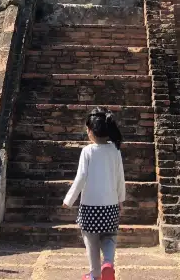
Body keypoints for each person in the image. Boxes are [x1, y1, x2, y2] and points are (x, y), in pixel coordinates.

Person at [63, 108, 126, 280]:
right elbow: (120, 178)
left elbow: (81, 177)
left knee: (91, 241)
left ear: (91, 131)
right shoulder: (115, 151)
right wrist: (121, 200)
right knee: (110, 237)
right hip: (111, 205)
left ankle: (95, 275)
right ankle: (108, 263)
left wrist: (69, 199)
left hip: (90, 207)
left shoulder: (87, 151)